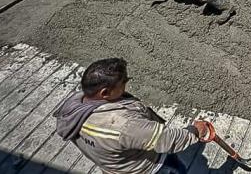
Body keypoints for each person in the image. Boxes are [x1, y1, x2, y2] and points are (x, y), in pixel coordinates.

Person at [54, 58, 214, 174]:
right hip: (150, 169)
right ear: (105, 92)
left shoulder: (73, 107)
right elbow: (168, 139)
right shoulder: (124, 125)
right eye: (123, 82)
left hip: (113, 168)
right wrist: (194, 130)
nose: (126, 84)